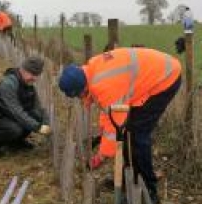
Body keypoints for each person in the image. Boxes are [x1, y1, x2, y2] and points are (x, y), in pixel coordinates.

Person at [58, 47, 182, 204]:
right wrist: (103, 134)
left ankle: (149, 190)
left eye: (78, 95)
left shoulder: (104, 84)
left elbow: (115, 124)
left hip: (165, 78)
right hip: (153, 73)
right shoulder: (91, 70)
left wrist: (102, 155)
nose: (80, 99)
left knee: (137, 134)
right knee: (128, 132)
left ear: (82, 88)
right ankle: (129, 178)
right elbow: (108, 110)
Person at [0, 56, 51, 158]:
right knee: (15, 129)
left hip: (10, 115)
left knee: (33, 117)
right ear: (23, 69)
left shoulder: (28, 85)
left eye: (37, 75)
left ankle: (15, 142)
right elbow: (17, 112)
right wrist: (38, 127)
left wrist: (45, 123)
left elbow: (38, 107)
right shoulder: (8, 84)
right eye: (32, 74)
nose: (35, 78)